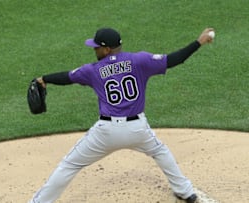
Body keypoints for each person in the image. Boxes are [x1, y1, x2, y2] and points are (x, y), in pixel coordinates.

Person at [29, 27, 214, 203]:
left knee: (70, 165)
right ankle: (186, 192)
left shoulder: (93, 70)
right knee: (160, 151)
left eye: (97, 47)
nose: (94, 50)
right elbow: (175, 59)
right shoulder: (140, 60)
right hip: (138, 129)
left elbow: (66, 77)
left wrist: (43, 79)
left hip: (106, 132)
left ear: (107, 49)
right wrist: (199, 42)